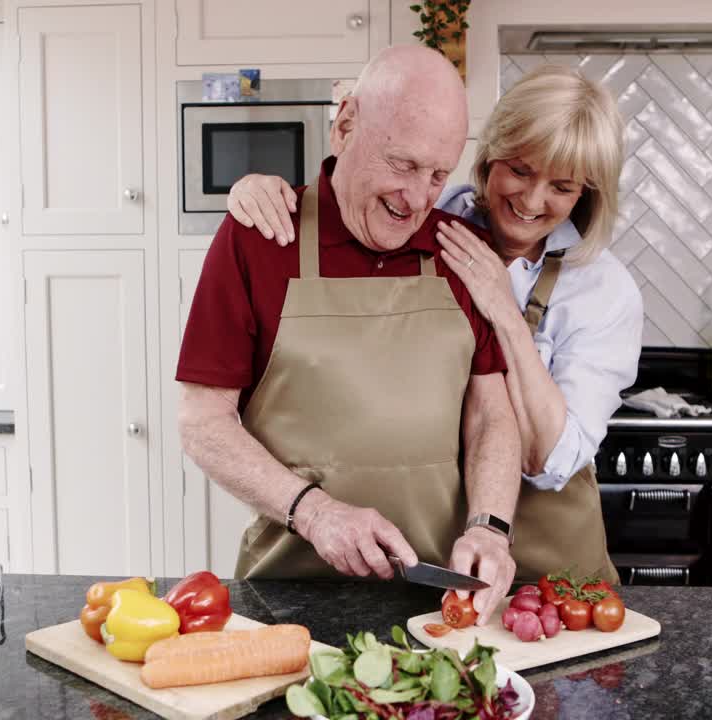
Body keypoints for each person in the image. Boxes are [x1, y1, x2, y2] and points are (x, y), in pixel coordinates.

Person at [226, 65, 643, 585]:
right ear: (488, 155)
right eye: (519, 170)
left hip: (547, 564)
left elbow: (549, 460)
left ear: (586, 194)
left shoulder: (603, 290)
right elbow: (357, 184)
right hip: (444, 556)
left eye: (561, 186)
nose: (533, 201)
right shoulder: (429, 213)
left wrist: (506, 316)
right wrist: (258, 187)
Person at [177, 45, 521, 624]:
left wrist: (491, 527)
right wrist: (315, 514)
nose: (417, 199)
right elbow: (202, 423)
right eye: (403, 165)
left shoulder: (465, 251)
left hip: (441, 604)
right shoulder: (258, 240)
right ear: (345, 126)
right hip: (287, 597)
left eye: (439, 174)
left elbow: (493, 414)